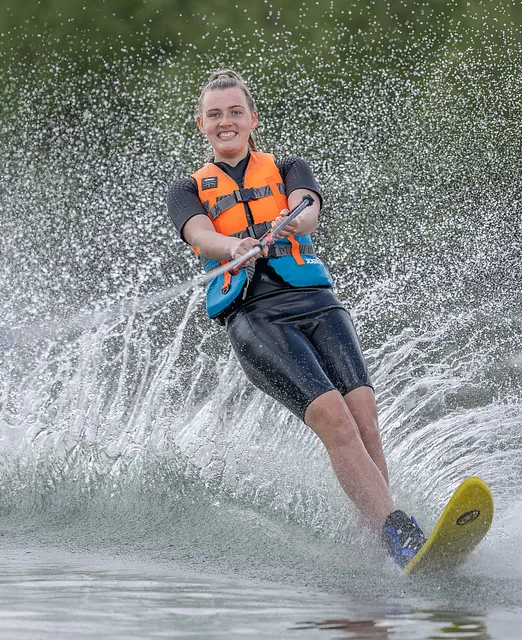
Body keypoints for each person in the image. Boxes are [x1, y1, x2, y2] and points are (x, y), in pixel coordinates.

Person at [167, 69, 426, 569]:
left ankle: (379, 541)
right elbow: (200, 235)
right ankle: (399, 532)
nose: (226, 122)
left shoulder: (288, 168)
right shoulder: (187, 190)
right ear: (202, 125)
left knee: (364, 417)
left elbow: (307, 209)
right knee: (333, 417)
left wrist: (286, 219)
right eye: (215, 114)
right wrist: (234, 245)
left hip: (316, 301)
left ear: (252, 119)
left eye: (235, 112)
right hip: (255, 316)